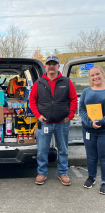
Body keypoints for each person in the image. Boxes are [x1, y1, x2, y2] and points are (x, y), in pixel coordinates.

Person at [29, 56, 77, 185]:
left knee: (63, 150)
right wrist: (38, 115)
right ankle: (42, 173)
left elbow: (73, 99)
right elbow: (32, 101)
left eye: (54, 64)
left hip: (62, 123)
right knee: (42, 151)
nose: (51, 66)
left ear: (58, 66)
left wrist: (70, 115)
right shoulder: (38, 83)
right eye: (49, 64)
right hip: (44, 123)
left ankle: (63, 173)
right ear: (45, 67)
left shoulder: (66, 82)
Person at [79, 65, 105, 195]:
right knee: (91, 155)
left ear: (102, 74)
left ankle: (104, 181)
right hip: (89, 129)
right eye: (92, 75)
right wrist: (90, 123)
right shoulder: (86, 91)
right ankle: (91, 177)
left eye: (97, 74)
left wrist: (100, 122)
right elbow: (82, 109)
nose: (95, 77)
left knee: (103, 156)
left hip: (103, 130)